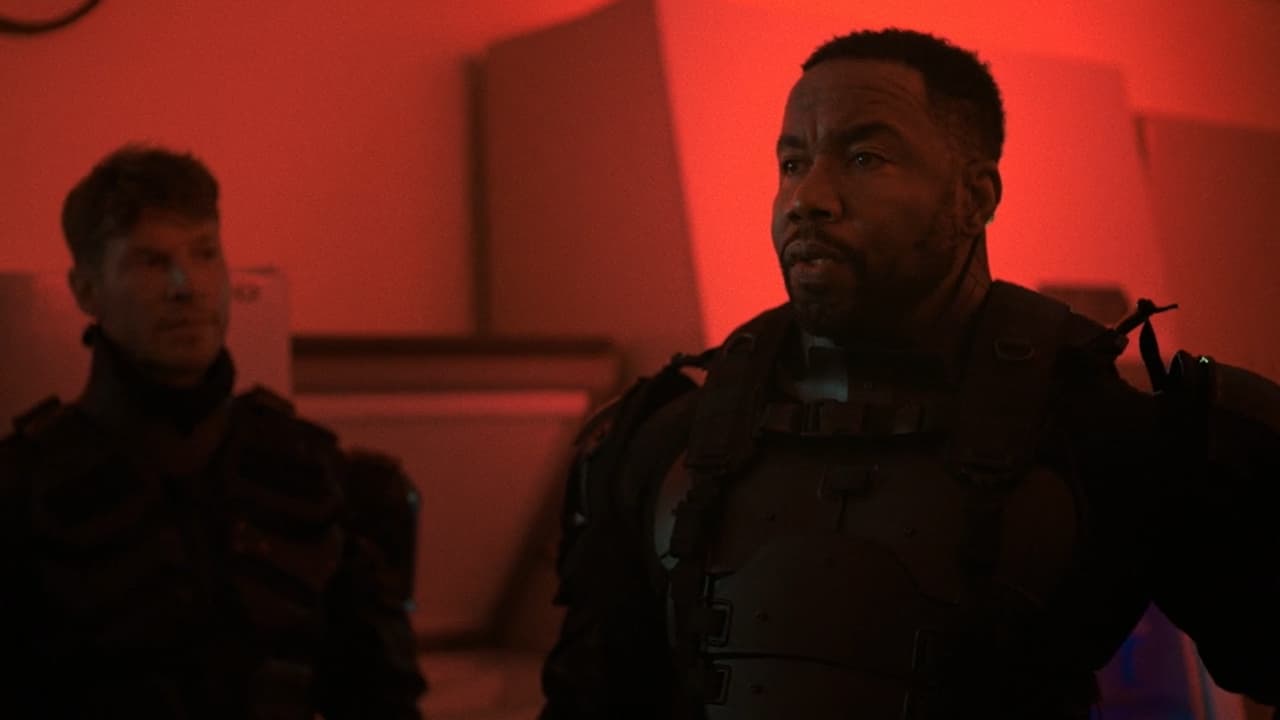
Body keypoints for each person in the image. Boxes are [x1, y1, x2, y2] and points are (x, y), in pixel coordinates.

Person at [538, 29, 1280, 720]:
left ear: (974, 197)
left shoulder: (1109, 430)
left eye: (865, 158)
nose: (807, 199)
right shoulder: (671, 436)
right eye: (792, 163)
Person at [0, 145, 427, 718]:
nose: (187, 286)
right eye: (151, 262)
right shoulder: (24, 491)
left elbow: (384, 701)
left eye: (205, 254)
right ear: (87, 291)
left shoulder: (315, 473)